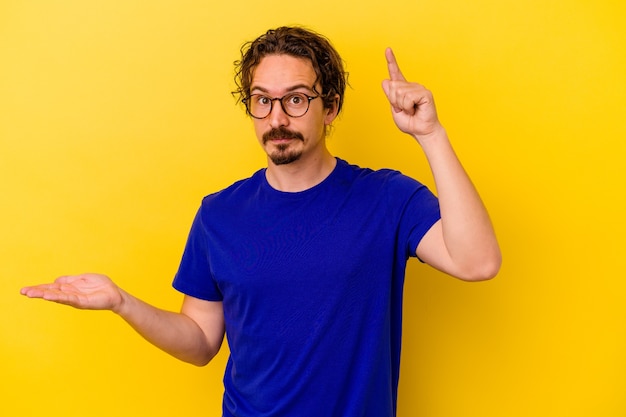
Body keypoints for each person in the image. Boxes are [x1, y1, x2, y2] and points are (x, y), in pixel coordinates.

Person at [21, 26, 501, 417]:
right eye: (262, 100)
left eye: (296, 99)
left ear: (329, 107)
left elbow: (477, 260)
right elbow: (200, 341)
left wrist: (430, 134)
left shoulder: (385, 198)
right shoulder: (219, 215)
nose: (277, 118)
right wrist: (122, 302)